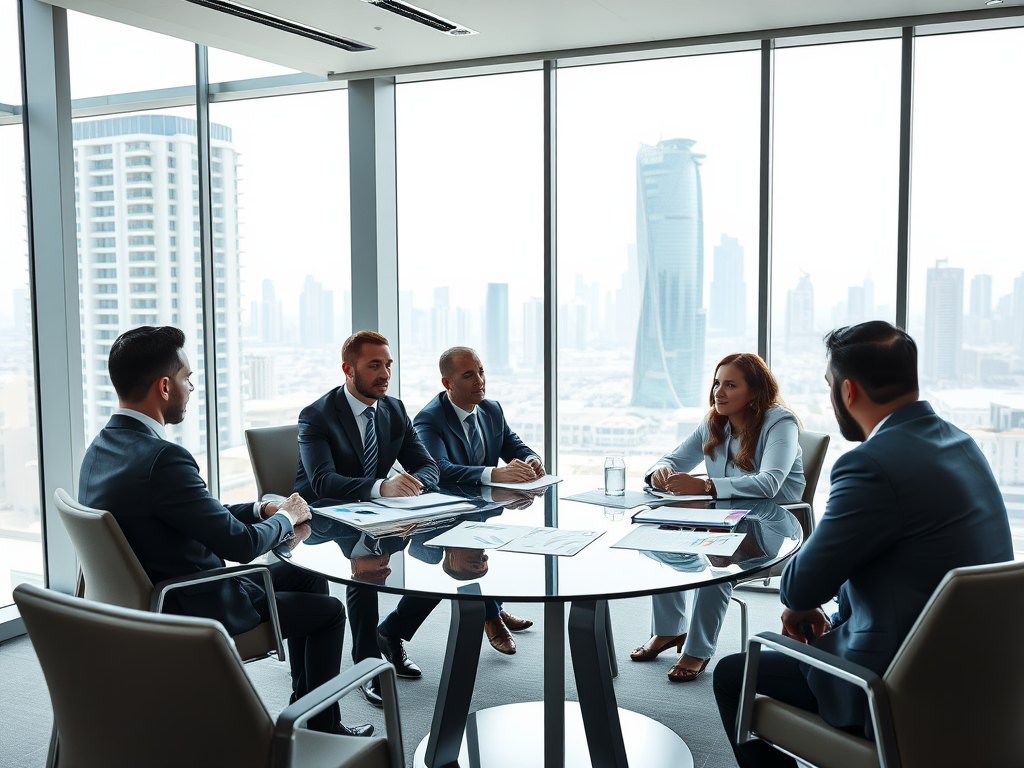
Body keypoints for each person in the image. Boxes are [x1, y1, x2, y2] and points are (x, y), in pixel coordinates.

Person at [712, 321, 1014, 768]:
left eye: (831, 386)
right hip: (982, 681)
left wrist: (802, 605)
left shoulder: (870, 465)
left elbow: (798, 588)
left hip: (892, 685)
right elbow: (911, 566)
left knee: (734, 673)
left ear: (847, 391)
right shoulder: (962, 444)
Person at [78, 326, 370, 736]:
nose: (191, 388)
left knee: (307, 575)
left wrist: (259, 508)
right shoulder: (164, 458)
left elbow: (194, 513)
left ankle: (306, 714)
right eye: (187, 379)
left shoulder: (102, 448)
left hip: (150, 594)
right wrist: (285, 518)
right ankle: (320, 728)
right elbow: (242, 545)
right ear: (165, 386)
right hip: (195, 602)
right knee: (329, 612)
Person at [633, 353, 805, 682]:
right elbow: (669, 460)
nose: (718, 392)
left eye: (730, 385)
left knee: (719, 564)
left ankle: (697, 649)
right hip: (721, 521)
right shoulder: (714, 422)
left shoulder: (779, 422)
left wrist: (706, 485)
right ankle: (669, 630)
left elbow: (770, 483)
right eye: (716, 383)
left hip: (771, 525)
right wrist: (659, 473)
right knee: (657, 539)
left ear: (754, 392)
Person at [294, 330, 440, 709]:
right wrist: (382, 487)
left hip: (379, 514)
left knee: (438, 557)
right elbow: (322, 481)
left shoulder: (394, 410)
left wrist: (411, 483)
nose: (384, 373)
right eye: (374, 365)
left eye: (388, 365)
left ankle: (392, 634)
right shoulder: (317, 415)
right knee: (367, 566)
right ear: (348, 368)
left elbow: (428, 465)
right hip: (322, 520)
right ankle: (368, 665)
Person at [413, 346, 540, 654]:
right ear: (448, 383)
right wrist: (494, 475)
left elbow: (515, 446)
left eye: (481, 371)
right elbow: (439, 469)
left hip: (481, 511)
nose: (479, 380)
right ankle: (492, 615)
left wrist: (532, 460)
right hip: (440, 515)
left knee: (478, 556)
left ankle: (493, 610)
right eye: (468, 375)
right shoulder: (429, 419)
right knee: (469, 562)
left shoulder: (492, 409)